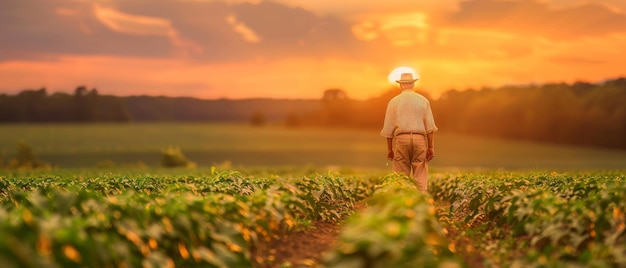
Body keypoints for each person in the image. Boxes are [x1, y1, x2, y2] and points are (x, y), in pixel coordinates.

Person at [380, 72, 438, 193]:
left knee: (401, 177)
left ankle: (403, 203)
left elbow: (388, 129)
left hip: (401, 139)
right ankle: (420, 201)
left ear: (401, 85)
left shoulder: (393, 102)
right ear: (413, 84)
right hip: (419, 139)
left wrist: (390, 149)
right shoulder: (423, 101)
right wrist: (431, 147)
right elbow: (430, 128)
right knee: (420, 174)